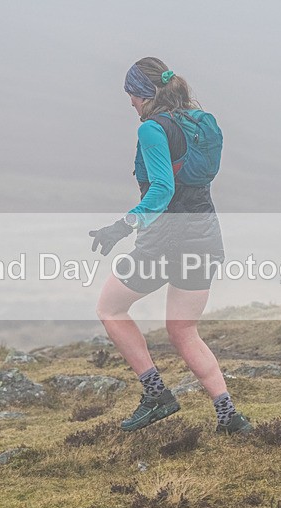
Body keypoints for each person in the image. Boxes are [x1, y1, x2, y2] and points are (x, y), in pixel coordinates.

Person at [88, 57, 253, 435]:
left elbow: (162, 189)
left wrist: (123, 225)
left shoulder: (151, 129)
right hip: (205, 236)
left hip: (165, 241)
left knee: (110, 308)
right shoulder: (200, 123)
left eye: (131, 95)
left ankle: (156, 393)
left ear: (143, 94)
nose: (129, 102)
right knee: (183, 330)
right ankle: (229, 417)